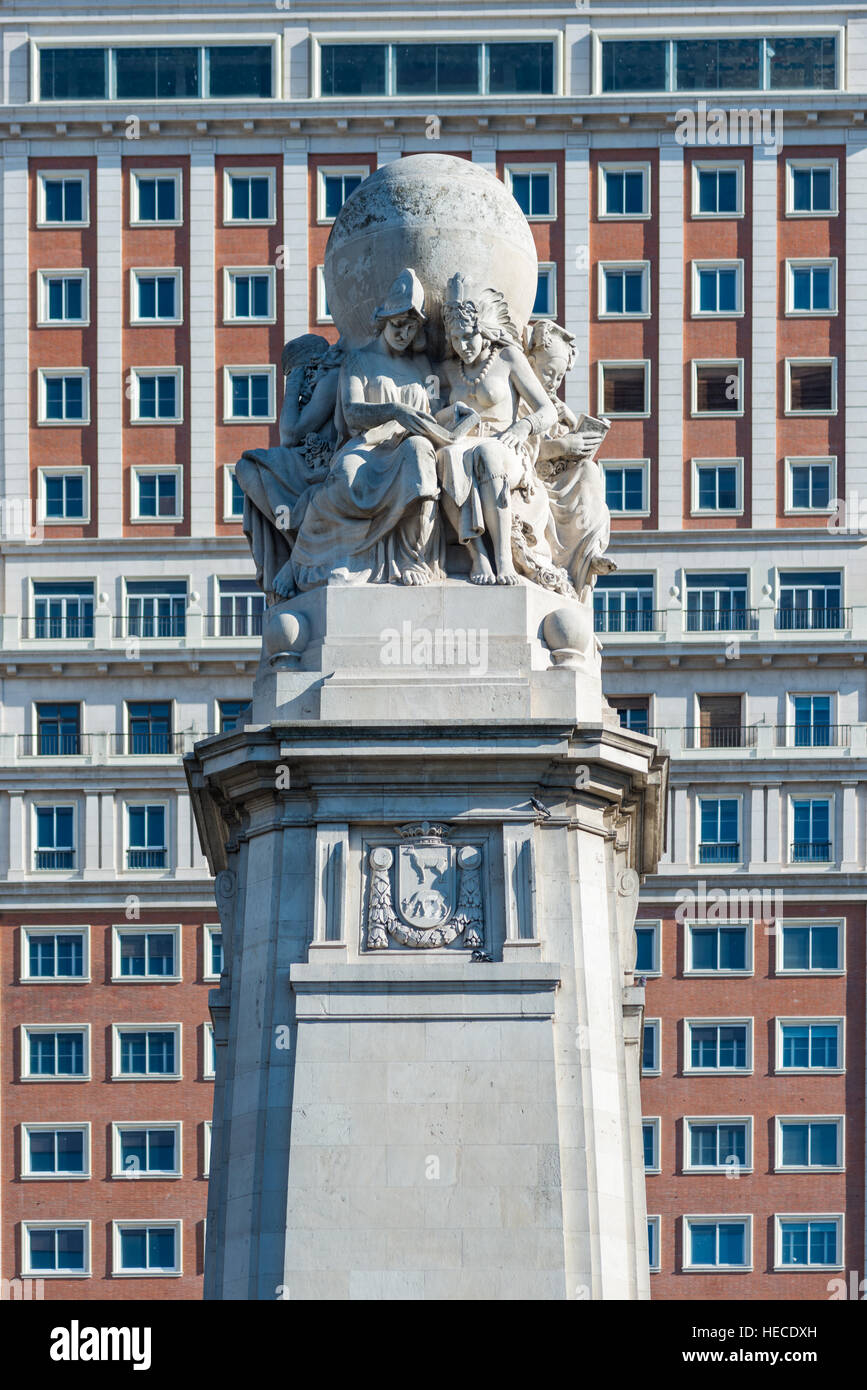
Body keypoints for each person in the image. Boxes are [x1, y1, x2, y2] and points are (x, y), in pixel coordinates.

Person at [290, 268, 449, 590]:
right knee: (346, 480)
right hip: (366, 446)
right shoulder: (358, 360)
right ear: (383, 321)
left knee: (420, 458)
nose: (403, 333)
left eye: (411, 326)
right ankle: (343, 559)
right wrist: (393, 410)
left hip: (409, 444)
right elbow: (351, 415)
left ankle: (413, 558)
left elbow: (434, 414)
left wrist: (452, 417)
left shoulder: (420, 366)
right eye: (397, 324)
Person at [435, 275, 558, 585]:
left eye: (468, 337)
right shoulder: (449, 369)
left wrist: (523, 426)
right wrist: (450, 414)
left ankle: (504, 559)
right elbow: (430, 415)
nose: (462, 346)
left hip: (505, 446)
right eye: (455, 338)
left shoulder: (508, 358)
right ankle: (479, 557)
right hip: (461, 442)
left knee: (488, 454)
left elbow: (548, 410)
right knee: (446, 458)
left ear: (485, 332)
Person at [234, 334, 344, 603]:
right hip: (306, 464)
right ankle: (300, 550)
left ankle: (300, 557)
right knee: (248, 469)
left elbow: (290, 434)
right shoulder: (317, 385)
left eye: (296, 373)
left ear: (310, 367)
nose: (299, 381)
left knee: (249, 467)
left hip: (325, 467)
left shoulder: (329, 380)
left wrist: (293, 385)